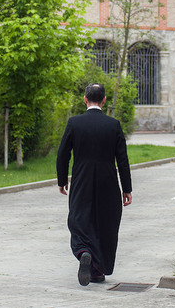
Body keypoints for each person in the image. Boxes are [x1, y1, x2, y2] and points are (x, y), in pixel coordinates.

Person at [56, 83, 133, 286]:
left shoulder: (74, 123)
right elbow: (122, 161)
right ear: (104, 100)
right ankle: (97, 271)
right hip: (108, 181)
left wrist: (62, 181)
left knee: (79, 219)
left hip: (81, 179)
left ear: (85, 99)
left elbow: (62, 154)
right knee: (106, 223)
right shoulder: (113, 125)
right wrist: (127, 189)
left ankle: (83, 252)